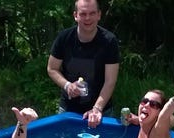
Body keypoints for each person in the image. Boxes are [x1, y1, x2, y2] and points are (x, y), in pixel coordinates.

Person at [47, 0, 120, 128]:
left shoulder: (109, 41)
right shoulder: (64, 38)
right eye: (83, 14)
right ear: (75, 15)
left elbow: (110, 81)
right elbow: (52, 68)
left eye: (92, 13)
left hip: (101, 111)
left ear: (99, 15)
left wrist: (97, 109)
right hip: (68, 110)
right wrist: (67, 85)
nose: (87, 18)